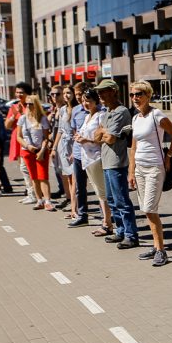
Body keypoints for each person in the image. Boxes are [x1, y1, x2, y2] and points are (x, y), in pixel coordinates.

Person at [127, 80, 172, 267]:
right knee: (145, 208)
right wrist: (131, 171)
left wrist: (168, 155)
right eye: (133, 94)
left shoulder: (156, 115)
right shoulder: (135, 118)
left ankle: (161, 250)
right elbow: (134, 147)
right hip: (140, 168)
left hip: (154, 168)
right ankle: (156, 244)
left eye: (139, 94)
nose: (135, 98)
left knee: (150, 208)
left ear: (148, 95)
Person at [96, 79, 139, 249]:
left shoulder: (121, 112)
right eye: (99, 91)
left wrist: (103, 132)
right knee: (112, 200)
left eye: (103, 91)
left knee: (122, 200)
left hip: (117, 162)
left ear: (113, 91)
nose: (100, 94)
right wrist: (104, 133)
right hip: (106, 161)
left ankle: (131, 234)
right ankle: (120, 231)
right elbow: (96, 137)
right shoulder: (107, 112)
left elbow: (111, 138)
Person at [76, 88, 113, 235]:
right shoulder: (87, 117)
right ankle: (106, 221)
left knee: (102, 192)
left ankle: (107, 223)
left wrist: (86, 140)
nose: (86, 103)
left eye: (89, 101)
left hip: (97, 157)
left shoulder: (100, 115)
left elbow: (104, 139)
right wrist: (80, 137)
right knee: (99, 192)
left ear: (96, 102)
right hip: (87, 158)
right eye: (84, 100)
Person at [17, 95, 54, 211]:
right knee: (34, 177)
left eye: (31, 104)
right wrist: (27, 146)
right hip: (27, 151)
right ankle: (39, 200)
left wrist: (42, 151)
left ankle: (47, 201)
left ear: (36, 105)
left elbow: (46, 137)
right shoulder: (23, 119)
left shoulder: (42, 118)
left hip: (40, 151)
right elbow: (19, 137)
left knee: (43, 176)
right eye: (27, 104)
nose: (28, 106)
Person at [5, 82, 35, 204]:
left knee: (28, 168)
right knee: (23, 168)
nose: (19, 94)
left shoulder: (32, 105)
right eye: (17, 92)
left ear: (28, 93)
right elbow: (7, 125)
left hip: (30, 140)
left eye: (21, 92)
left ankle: (34, 193)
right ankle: (30, 192)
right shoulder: (14, 107)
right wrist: (14, 115)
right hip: (18, 140)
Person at [68, 82, 91, 227]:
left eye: (79, 95)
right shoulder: (75, 110)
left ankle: (107, 217)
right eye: (75, 95)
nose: (77, 98)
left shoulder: (98, 109)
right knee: (79, 187)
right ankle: (82, 215)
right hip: (78, 153)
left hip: (93, 154)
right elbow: (74, 130)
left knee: (99, 187)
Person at [56, 85, 76, 217]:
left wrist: (75, 150)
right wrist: (54, 148)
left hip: (74, 145)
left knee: (76, 179)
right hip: (64, 145)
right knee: (69, 178)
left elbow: (78, 130)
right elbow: (60, 130)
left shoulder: (78, 109)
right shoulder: (62, 110)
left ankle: (76, 209)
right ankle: (73, 207)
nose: (66, 96)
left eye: (68, 93)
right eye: (64, 93)